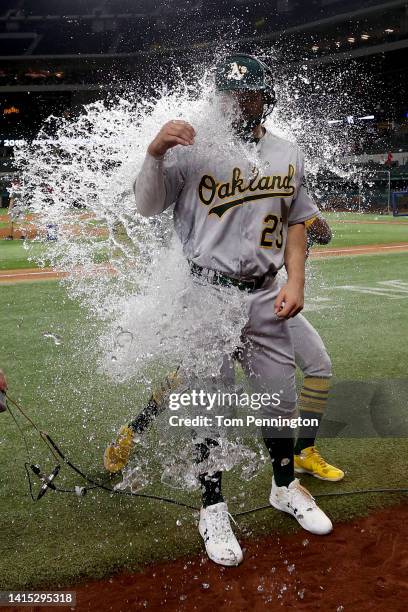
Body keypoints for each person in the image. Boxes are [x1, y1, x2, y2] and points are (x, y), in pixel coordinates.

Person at [126, 53, 334, 566]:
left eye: (250, 94)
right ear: (217, 96)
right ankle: (211, 506)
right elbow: (148, 205)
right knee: (207, 403)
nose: (239, 102)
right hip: (206, 293)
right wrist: (154, 151)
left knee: (279, 400)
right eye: (231, 94)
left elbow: (297, 222)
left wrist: (297, 279)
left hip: (266, 293)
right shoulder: (192, 147)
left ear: (266, 96)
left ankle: (284, 486)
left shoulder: (287, 151)